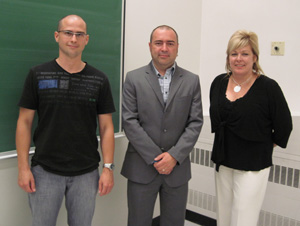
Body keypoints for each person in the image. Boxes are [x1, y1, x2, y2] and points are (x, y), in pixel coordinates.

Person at [16, 15, 115, 226]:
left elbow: (106, 127)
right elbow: (24, 122)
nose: (73, 38)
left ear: (86, 39)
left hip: (86, 173)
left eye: (79, 34)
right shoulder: (38, 75)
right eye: (68, 33)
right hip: (45, 171)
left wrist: (108, 168)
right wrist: (23, 168)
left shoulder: (99, 79)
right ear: (57, 36)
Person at [121, 25, 203, 226]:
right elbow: (129, 121)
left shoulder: (191, 80)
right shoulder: (133, 78)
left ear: (177, 47)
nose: (164, 48)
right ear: (150, 46)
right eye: (158, 43)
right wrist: (156, 158)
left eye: (170, 43)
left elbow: (195, 122)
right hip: (141, 167)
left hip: (177, 169)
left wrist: (174, 156)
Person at [209, 30, 292, 226]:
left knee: (243, 218)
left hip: (253, 164)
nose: (239, 59)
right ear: (228, 57)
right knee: (224, 216)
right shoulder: (218, 83)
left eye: (245, 54)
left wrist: (264, 145)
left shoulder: (268, 87)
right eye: (234, 54)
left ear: (254, 57)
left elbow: (284, 125)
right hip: (223, 160)